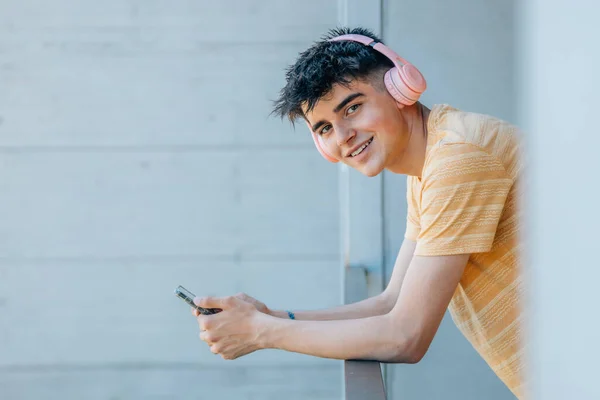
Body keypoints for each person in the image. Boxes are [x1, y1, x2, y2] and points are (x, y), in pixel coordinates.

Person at [191, 27, 524, 398]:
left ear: (402, 87)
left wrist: (260, 332)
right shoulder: (431, 164)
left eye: (352, 107)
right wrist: (271, 316)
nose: (343, 135)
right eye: (324, 128)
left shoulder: (458, 160)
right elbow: (390, 302)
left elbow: (405, 336)